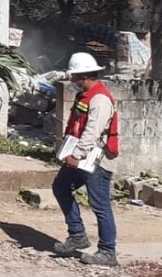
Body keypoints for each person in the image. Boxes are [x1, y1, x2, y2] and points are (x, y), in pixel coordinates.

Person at [51, 51, 120, 267]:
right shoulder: (86, 96)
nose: (72, 81)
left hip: (97, 159)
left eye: (74, 77)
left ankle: (108, 251)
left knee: (99, 204)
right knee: (61, 187)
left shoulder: (100, 99)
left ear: (83, 76)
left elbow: (92, 132)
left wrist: (75, 155)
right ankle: (77, 236)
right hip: (81, 155)